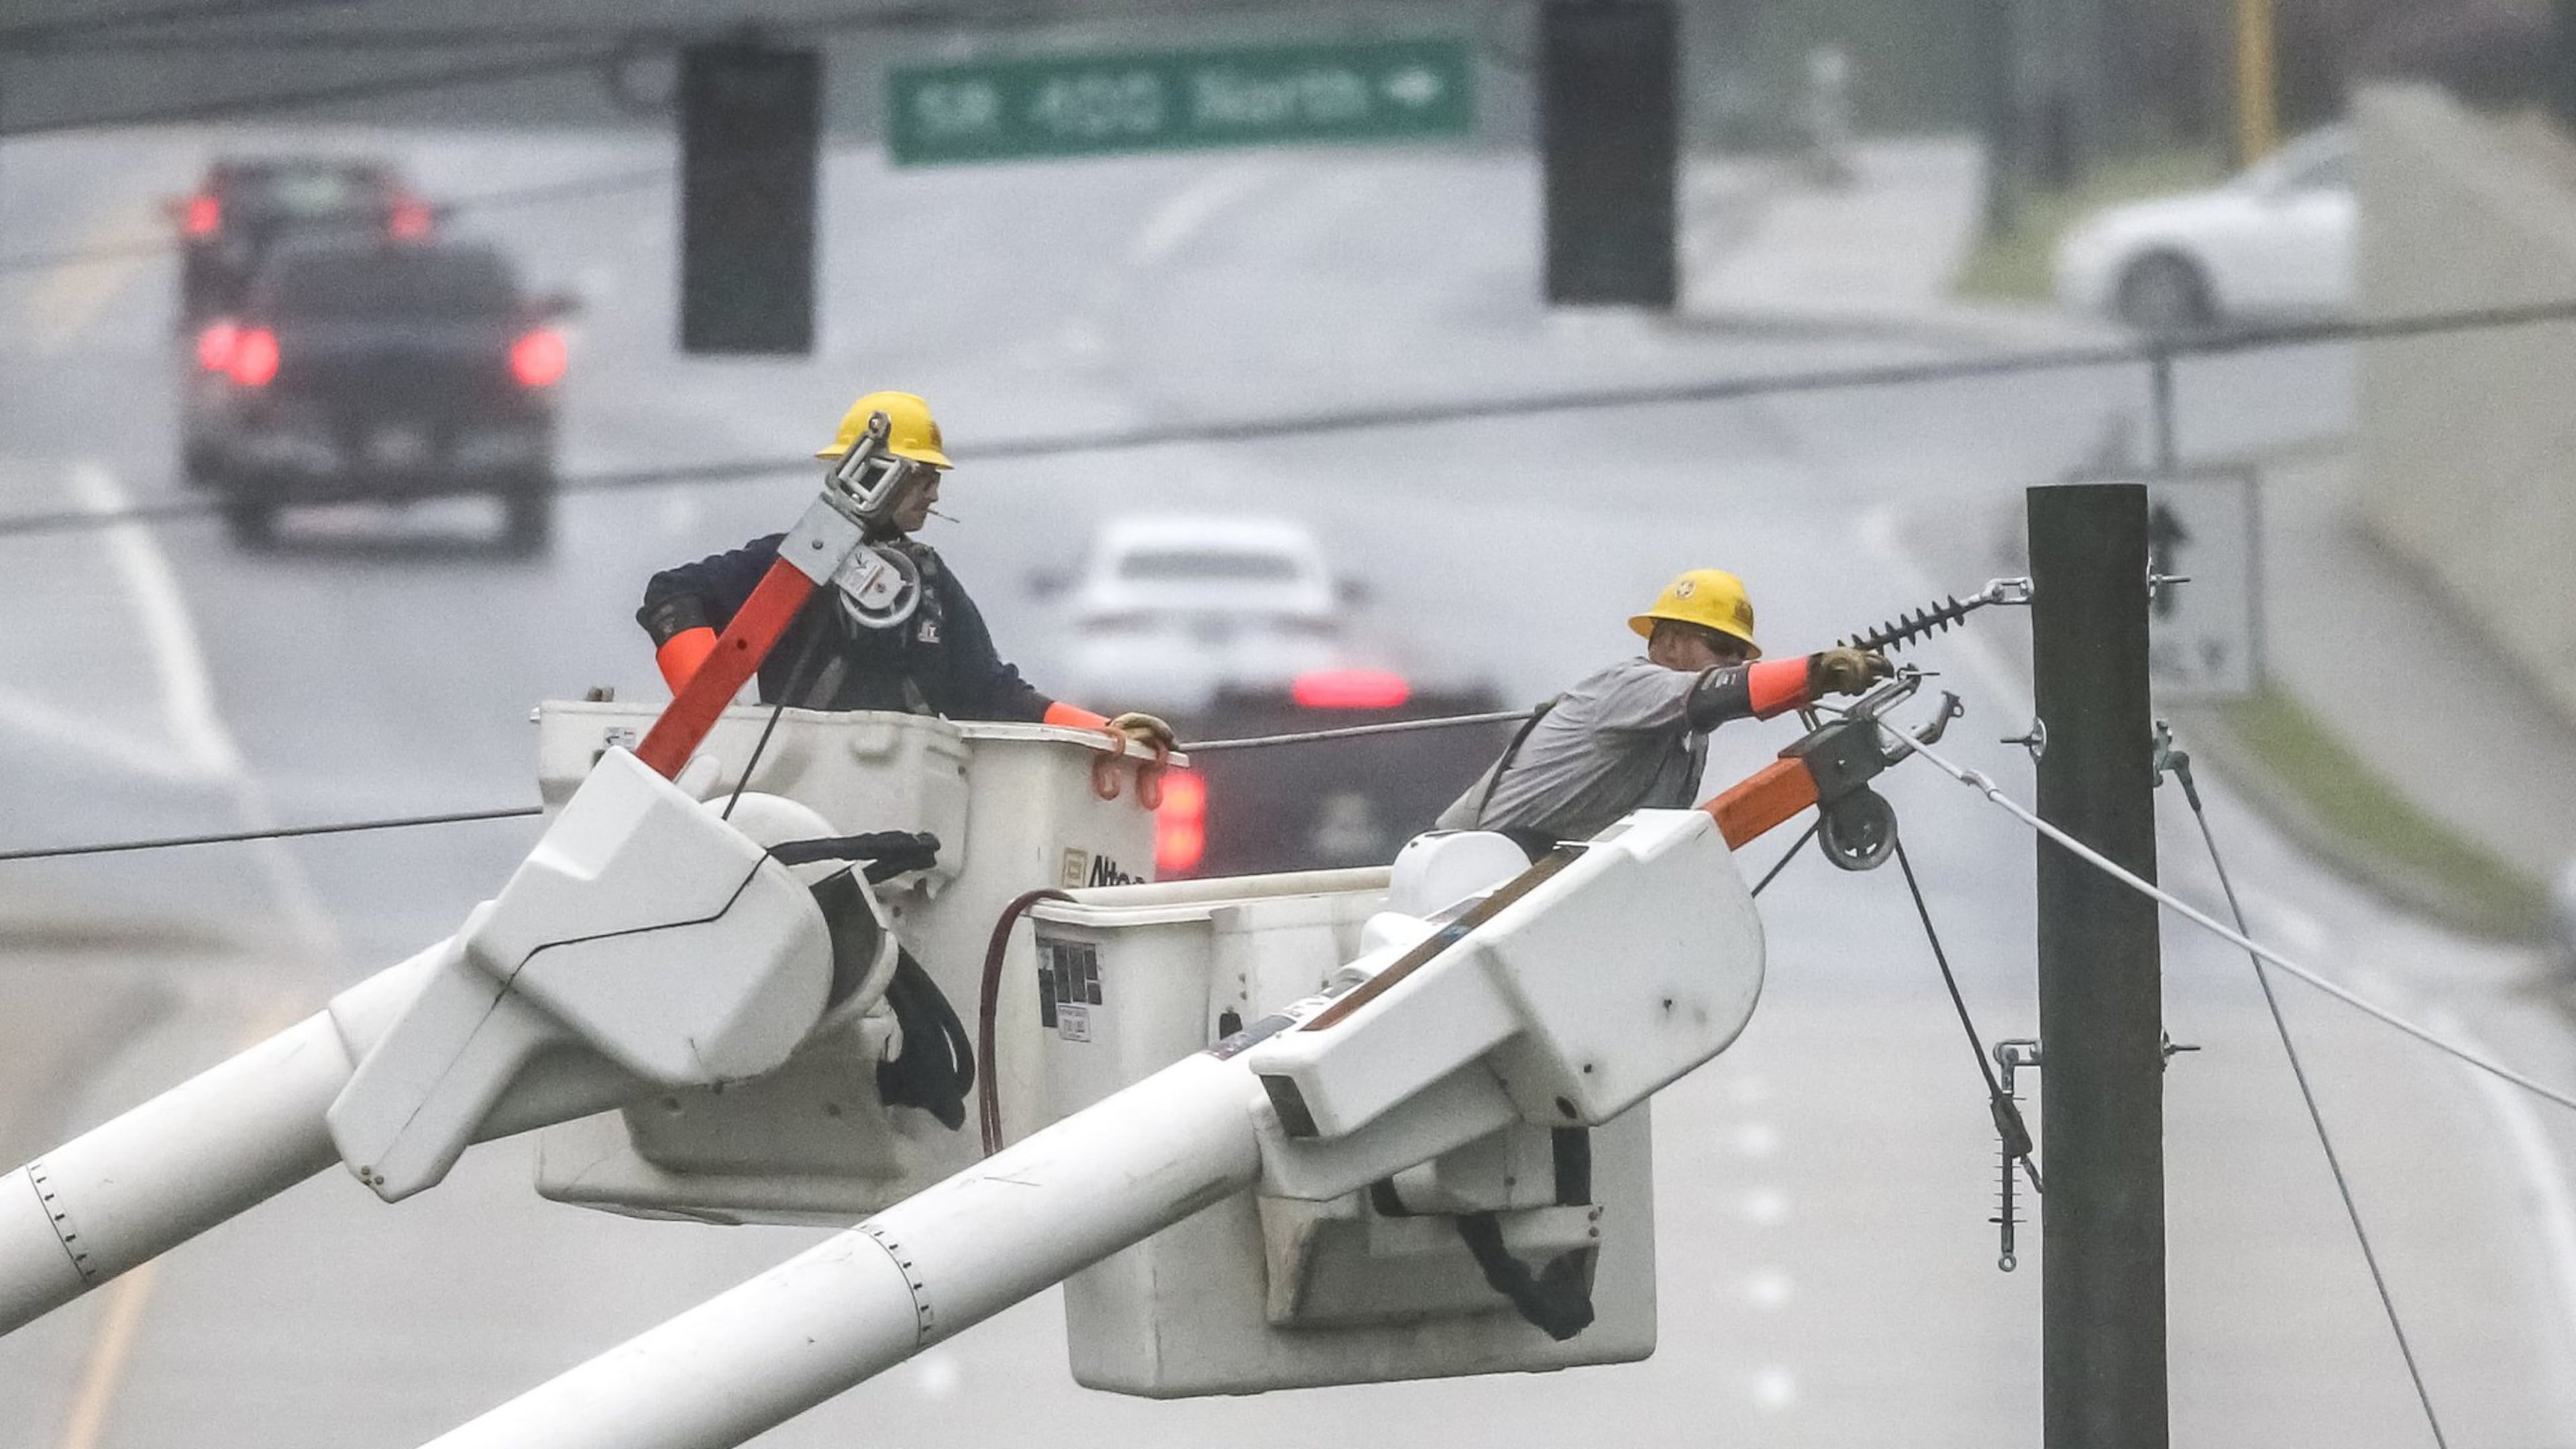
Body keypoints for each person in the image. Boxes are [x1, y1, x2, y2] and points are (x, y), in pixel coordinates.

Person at [637, 390, 1172, 749]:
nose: (936, 493)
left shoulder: (930, 585)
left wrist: (1105, 733)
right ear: (877, 472)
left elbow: (992, 695)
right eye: (924, 478)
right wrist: (708, 713)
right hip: (790, 795)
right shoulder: (795, 566)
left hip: (902, 806)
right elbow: (675, 595)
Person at [1439, 568, 1890, 854]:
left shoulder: (1688, 739)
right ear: (1670, 642)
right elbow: (1719, 693)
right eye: (1720, 647)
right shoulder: (1632, 687)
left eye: (1741, 654)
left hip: (1536, 880)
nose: (1734, 663)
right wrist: (1815, 673)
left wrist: (1801, 685)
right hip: (1474, 871)